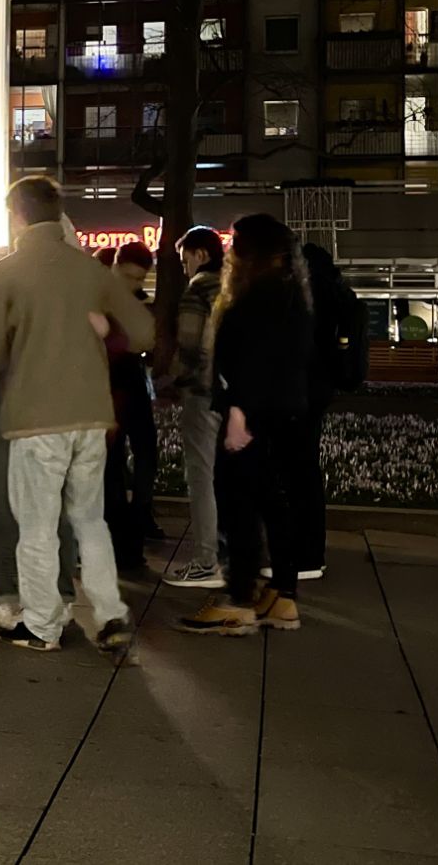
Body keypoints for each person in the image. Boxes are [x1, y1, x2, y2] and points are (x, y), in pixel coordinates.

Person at [0, 176, 155, 652]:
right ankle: (110, 612)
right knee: (90, 519)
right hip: (91, 416)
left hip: (36, 417)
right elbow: (144, 332)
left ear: (17, 215)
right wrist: (102, 330)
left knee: (36, 526)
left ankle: (43, 625)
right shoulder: (91, 270)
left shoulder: (9, 272)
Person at [180, 214, 314, 637]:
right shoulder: (293, 293)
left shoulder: (256, 296)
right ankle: (282, 595)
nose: (231, 249)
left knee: (239, 502)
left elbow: (253, 358)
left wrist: (239, 412)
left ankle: (238, 599)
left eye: (237, 242)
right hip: (284, 410)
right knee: (274, 501)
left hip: (251, 414)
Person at [162, 226, 228, 589]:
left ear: (200, 254)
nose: (184, 265)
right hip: (233, 397)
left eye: (186, 257)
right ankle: (233, 550)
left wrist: (169, 380)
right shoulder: (233, 286)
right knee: (226, 476)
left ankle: (206, 561)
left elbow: (189, 345)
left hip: (202, 393)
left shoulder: (199, 287)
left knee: (201, 477)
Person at [293, 242, 356, 582]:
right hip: (321, 388)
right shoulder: (337, 292)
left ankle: (307, 556)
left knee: (300, 471)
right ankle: (311, 553)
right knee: (307, 469)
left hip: (305, 388)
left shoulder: (311, 294)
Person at [100, 241, 161, 573]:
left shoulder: (126, 301)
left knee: (136, 460)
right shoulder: (99, 298)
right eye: (129, 277)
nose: (134, 285)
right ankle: (124, 543)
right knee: (111, 469)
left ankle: (131, 535)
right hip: (111, 387)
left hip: (127, 385)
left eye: (139, 280)